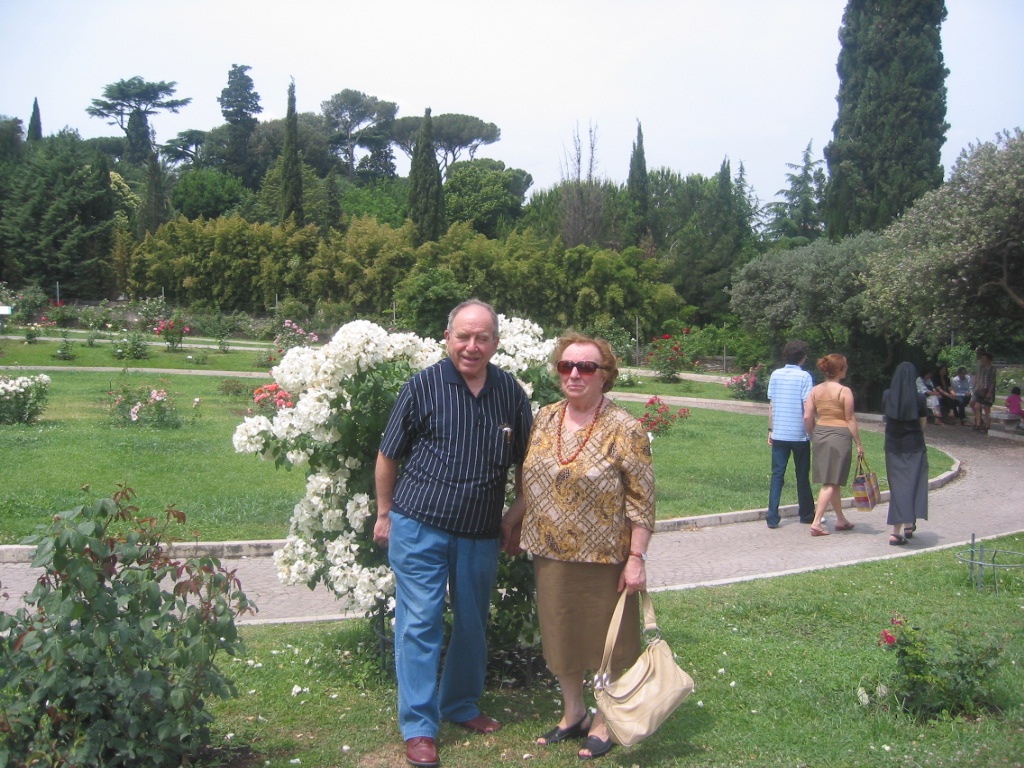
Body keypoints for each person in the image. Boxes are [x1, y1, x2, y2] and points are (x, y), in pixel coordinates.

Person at [373, 300, 533, 768]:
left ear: (495, 343)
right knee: (419, 622)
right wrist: (384, 512)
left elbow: (527, 462)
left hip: (480, 532)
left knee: (472, 623)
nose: (472, 346)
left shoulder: (510, 392)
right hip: (419, 525)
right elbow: (388, 455)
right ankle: (419, 727)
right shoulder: (422, 386)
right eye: (463, 336)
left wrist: (515, 515)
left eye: (482, 338)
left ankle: (460, 704)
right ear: (448, 338)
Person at [510, 333, 655, 761]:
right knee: (562, 637)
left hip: (605, 557)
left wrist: (636, 558)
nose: (574, 374)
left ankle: (605, 719)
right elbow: (531, 481)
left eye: (586, 367)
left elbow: (642, 500)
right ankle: (573, 713)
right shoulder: (545, 417)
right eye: (566, 365)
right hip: (550, 553)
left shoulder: (625, 427)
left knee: (609, 643)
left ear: (604, 375)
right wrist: (511, 521)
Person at [803, 354, 863, 536]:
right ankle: (816, 522)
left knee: (833, 479)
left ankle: (840, 519)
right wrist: (858, 443)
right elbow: (850, 419)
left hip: (820, 433)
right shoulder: (844, 391)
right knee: (830, 482)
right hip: (839, 435)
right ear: (840, 370)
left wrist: (812, 434)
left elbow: (807, 416)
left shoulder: (815, 390)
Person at [766, 340, 814, 528]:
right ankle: (807, 514)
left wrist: (771, 429)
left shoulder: (775, 375)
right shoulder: (805, 377)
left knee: (777, 475)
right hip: (799, 434)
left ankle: (772, 515)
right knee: (802, 475)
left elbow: (771, 405)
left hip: (780, 433)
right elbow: (807, 409)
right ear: (803, 357)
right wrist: (811, 433)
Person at [882, 362, 929, 546]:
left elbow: (887, 419)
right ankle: (896, 532)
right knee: (913, 485)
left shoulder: (887, 395)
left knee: (898, 488)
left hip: (893, 447)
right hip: (914, 447)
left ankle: (907, 525)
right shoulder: (920, 399)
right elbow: (922, 424)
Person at [972, 351, 997, 431]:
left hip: (988, 390)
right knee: (976, 406)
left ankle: (987, 425)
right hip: (981, 390)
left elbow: (993, 381)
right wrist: (979, 386)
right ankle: (978, 423)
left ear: (988, 359)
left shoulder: (992, 369)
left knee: (986, 408)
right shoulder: (982, 368)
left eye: (984, 359)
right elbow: (980, 378)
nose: (982, 360)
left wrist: (990, 392)